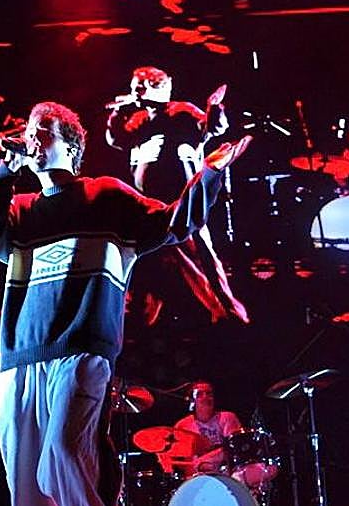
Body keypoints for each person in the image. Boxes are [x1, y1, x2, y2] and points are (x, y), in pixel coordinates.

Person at [0, 100, 251, 506]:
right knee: (26, 487)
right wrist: (2, 170)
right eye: (28, 132)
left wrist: (212, 172)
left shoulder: (107, 195)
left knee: (59, 462)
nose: (31, 139)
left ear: (71, 144)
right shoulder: (21, 208)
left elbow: (174, 222)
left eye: (43, 131)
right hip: (19, 356)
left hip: (82, 344)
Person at [106, 65, 248, 324]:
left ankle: (229, 315)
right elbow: (116, 140)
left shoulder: (181, 111)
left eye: (138, 86)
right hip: (146, 205)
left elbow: (214, 128)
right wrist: (117, 113)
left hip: (180, 202)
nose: (133, 92)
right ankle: (138, 318)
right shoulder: (138, 118)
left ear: (154, 87)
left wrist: (214, 107)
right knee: (143, 262)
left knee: (200, 256)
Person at [173, 380, 242, 477]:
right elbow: (178, 462)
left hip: (227, 476)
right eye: (200, 394)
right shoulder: (182, 426)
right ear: (192, 400)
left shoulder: (227, 418)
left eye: (209, 393)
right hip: (195, 480)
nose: (205, 397)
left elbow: (234, 449)